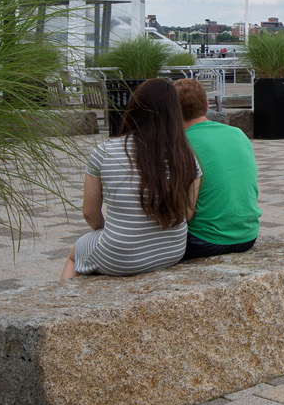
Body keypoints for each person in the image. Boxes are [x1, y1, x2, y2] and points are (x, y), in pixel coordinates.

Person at [61, 78, 201, 279]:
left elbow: (90, 213)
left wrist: (106, 232)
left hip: (120, 256)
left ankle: (63, 306)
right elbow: (187, 214)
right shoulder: (186, 156)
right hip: (172, 251)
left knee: (74, 255)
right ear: (174, 112)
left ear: (135, 106)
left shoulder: (104, 152)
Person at [175, 78, 261, 258]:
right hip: (248, 235)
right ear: (207, 105)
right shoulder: (237, 133)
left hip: (204, 239)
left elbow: (183, 210)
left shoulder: (179, 143)